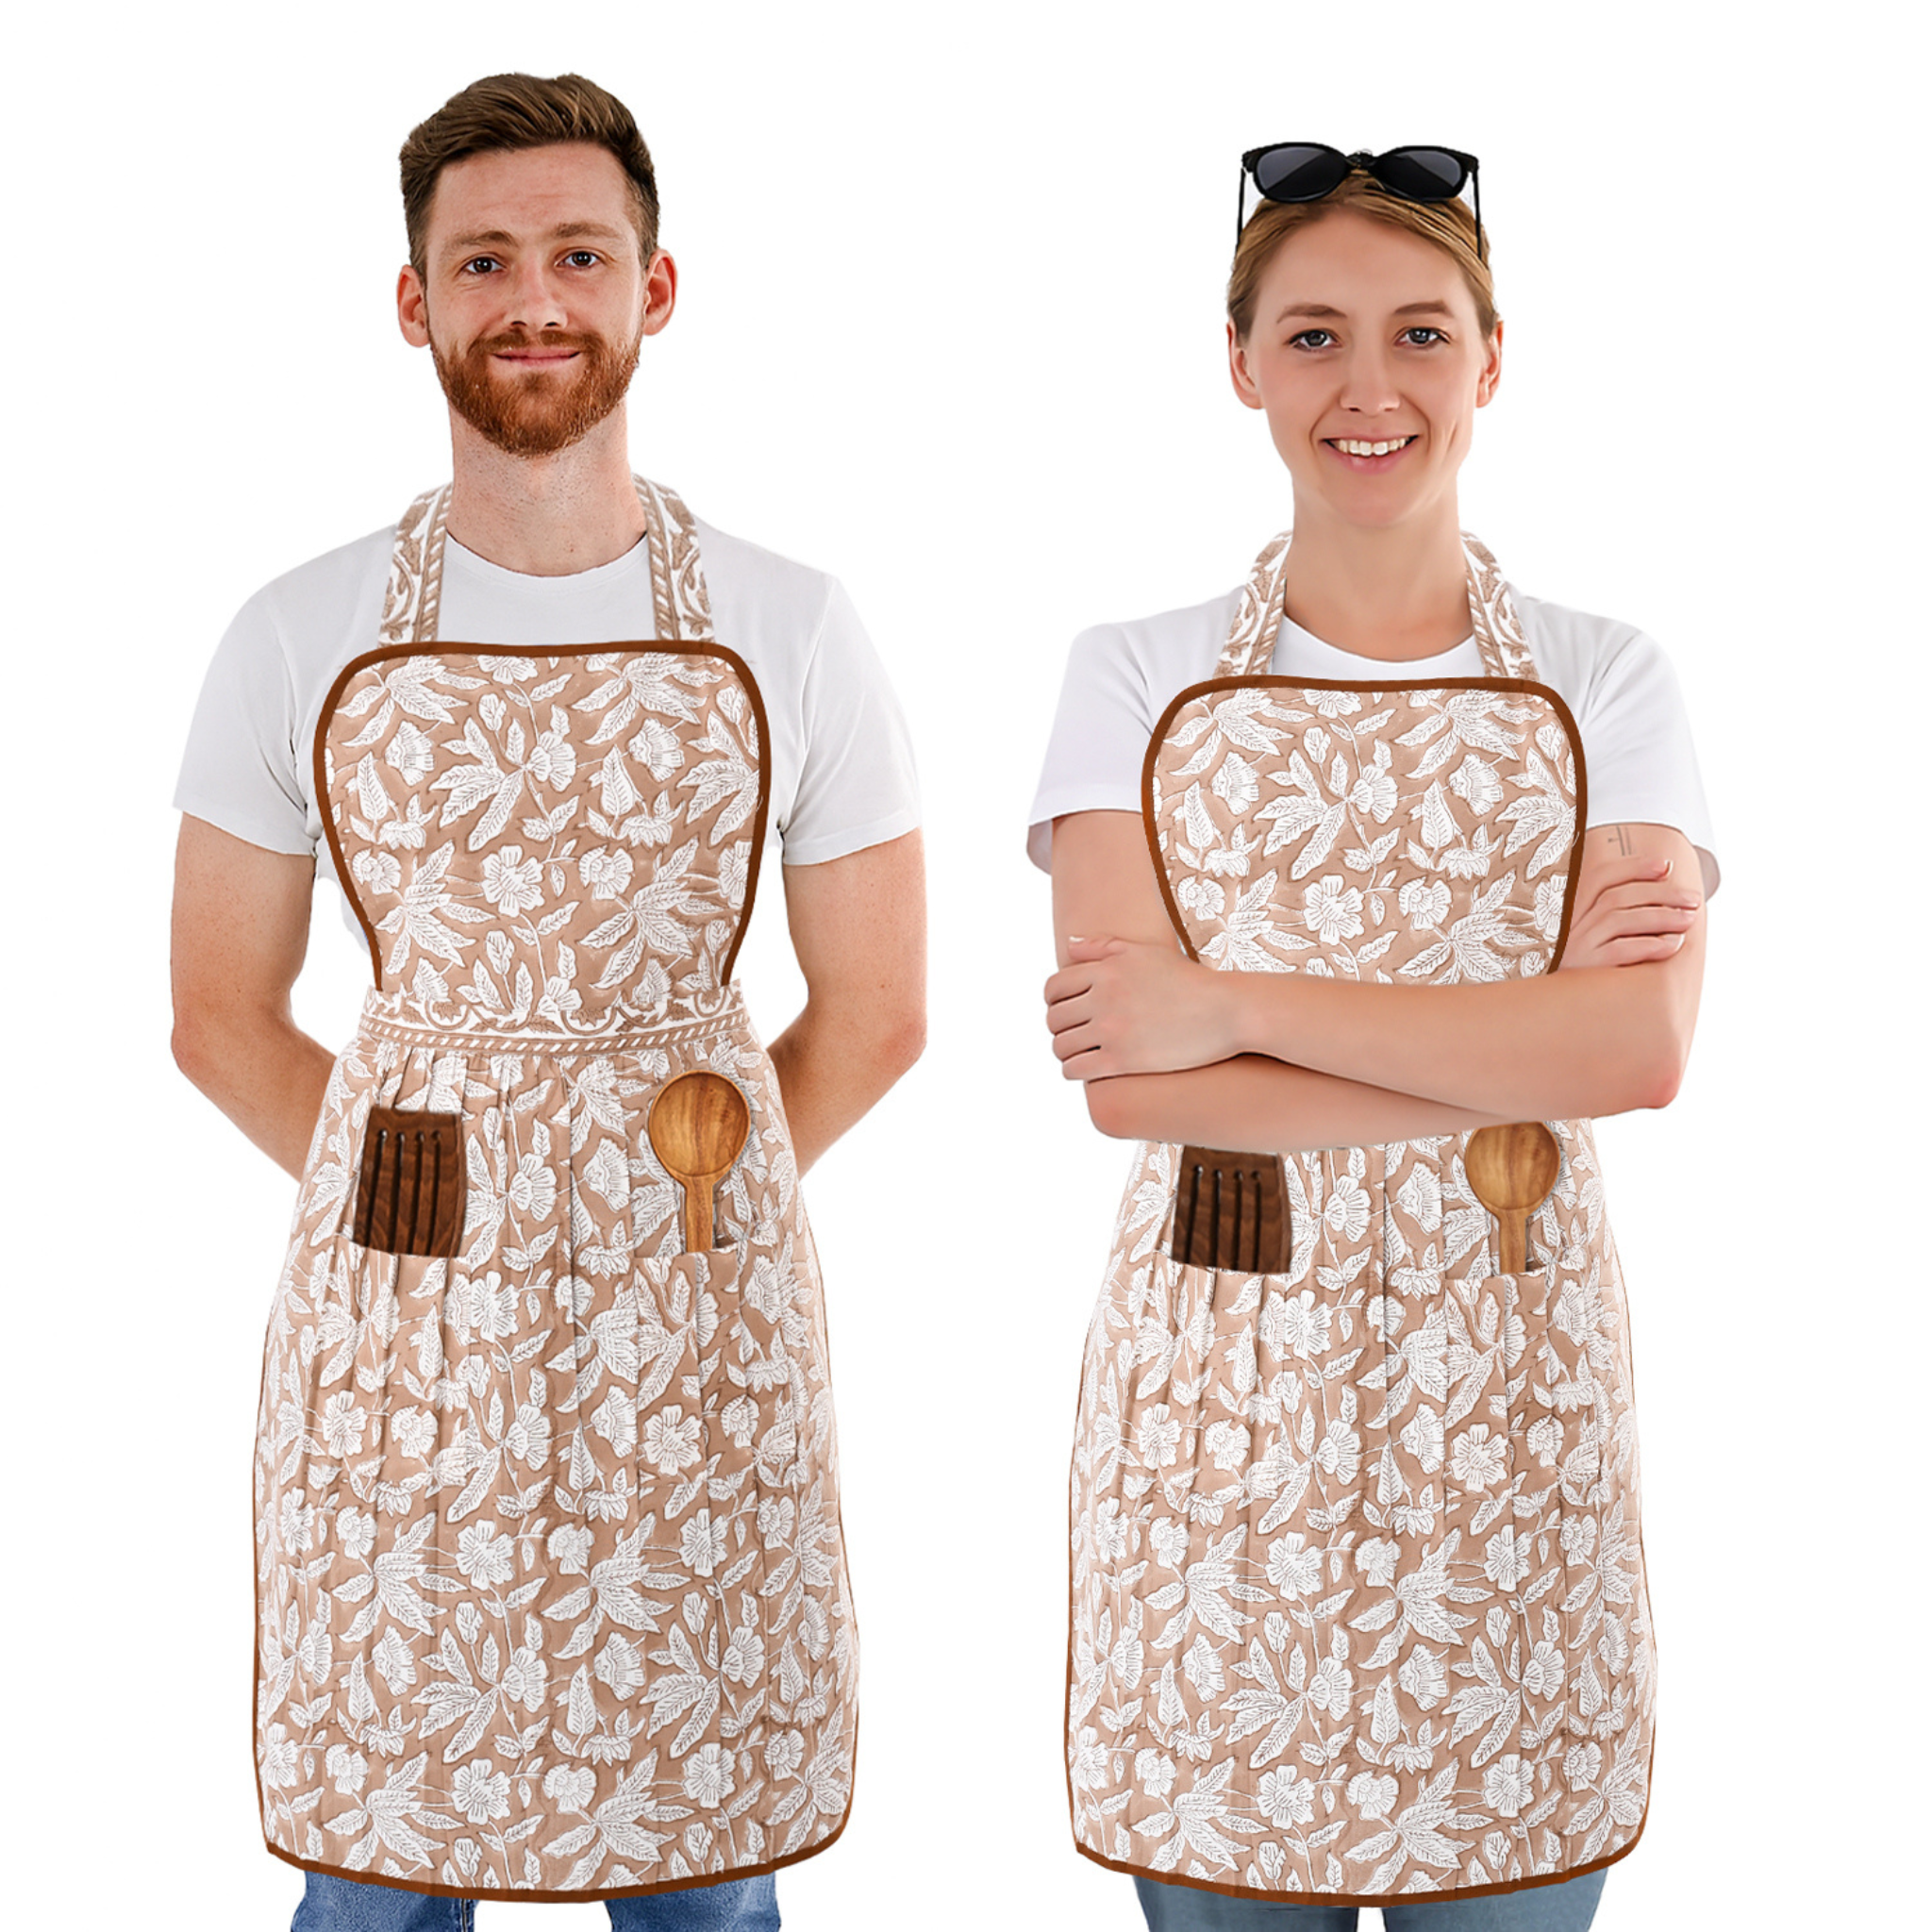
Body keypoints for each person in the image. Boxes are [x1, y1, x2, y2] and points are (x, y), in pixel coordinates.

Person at [171, 72, 924, 1929]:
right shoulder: (296, 631)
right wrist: (433, 1217)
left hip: (696, 1334)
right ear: (412, 300)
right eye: (485, 258)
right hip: (403, 1354)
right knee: (386, 1853)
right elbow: (218, 1011)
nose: (535, 298)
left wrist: (677, 1201)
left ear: (655, 289)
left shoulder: (791, 624)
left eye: (579, 254)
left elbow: (879, 1005)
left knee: (694, 1854)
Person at [1030, 145, 1716, 1932]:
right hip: (1215, 1416)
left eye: (1420, 333)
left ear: (1490, 361)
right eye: (1315, 334)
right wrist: (1508, 1034)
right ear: (1242, 364)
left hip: (1514, 1414)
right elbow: (1131, 1083)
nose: (1370, 386)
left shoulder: (1606, 680)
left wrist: (1237, 1002)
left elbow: (1637, 1052)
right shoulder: (1134, 674)